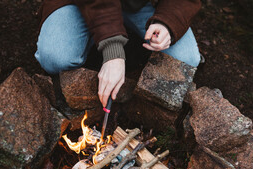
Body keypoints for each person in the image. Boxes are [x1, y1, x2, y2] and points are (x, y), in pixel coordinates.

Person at [35, 0, 201, 107]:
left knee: (186, 60)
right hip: (82, 3)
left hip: (141, 5)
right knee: (55, 57)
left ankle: (118, 33)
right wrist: (113, 50)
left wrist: (168, 21)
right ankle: (99, 33)